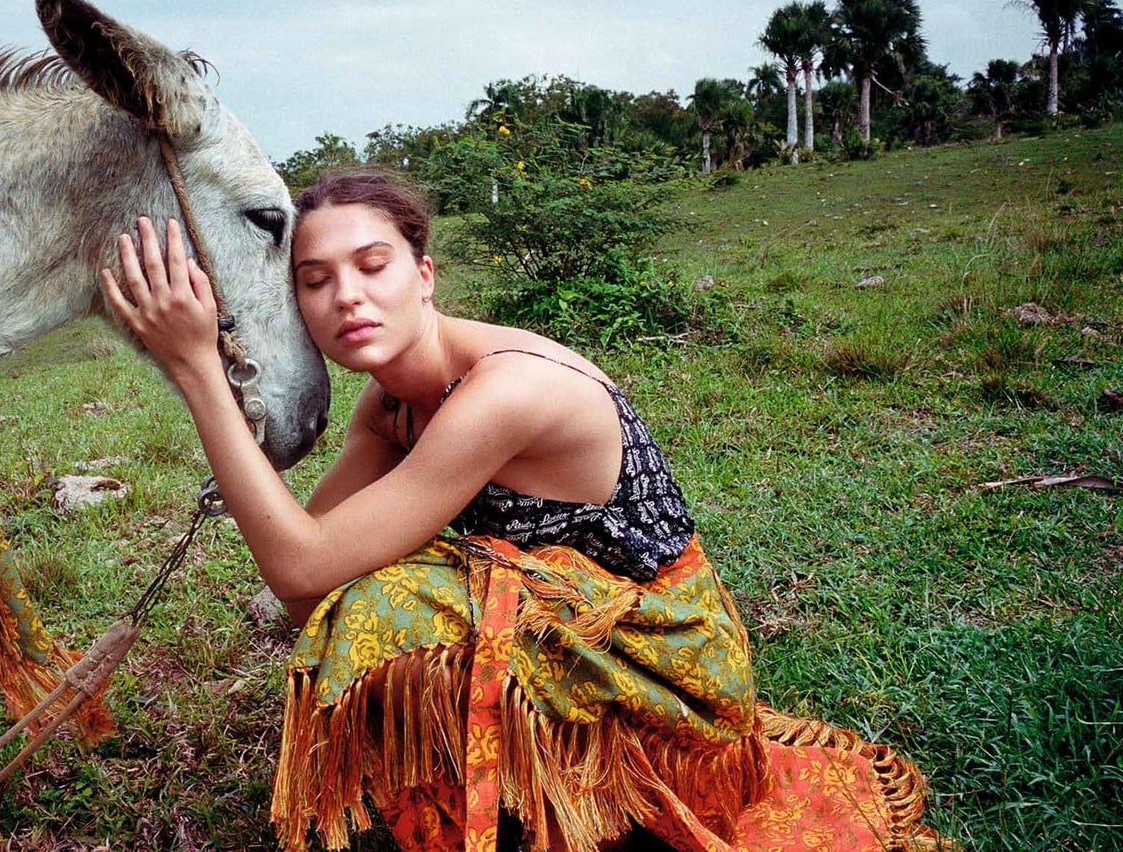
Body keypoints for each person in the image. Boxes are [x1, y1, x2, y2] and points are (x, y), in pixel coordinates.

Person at [101, 172, 939, 852]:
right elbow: (301, 585)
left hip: (668, 664)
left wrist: (197, 373)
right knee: (376, 599)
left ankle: (530, 813)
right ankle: (503, 806)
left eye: (373, 265)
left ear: (424, 276)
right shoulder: (390, 405)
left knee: (387, 605)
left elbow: (304, 565)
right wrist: (205, 367)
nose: (346, 296)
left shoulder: (503, 390)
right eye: (314, 282)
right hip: (576, 641)